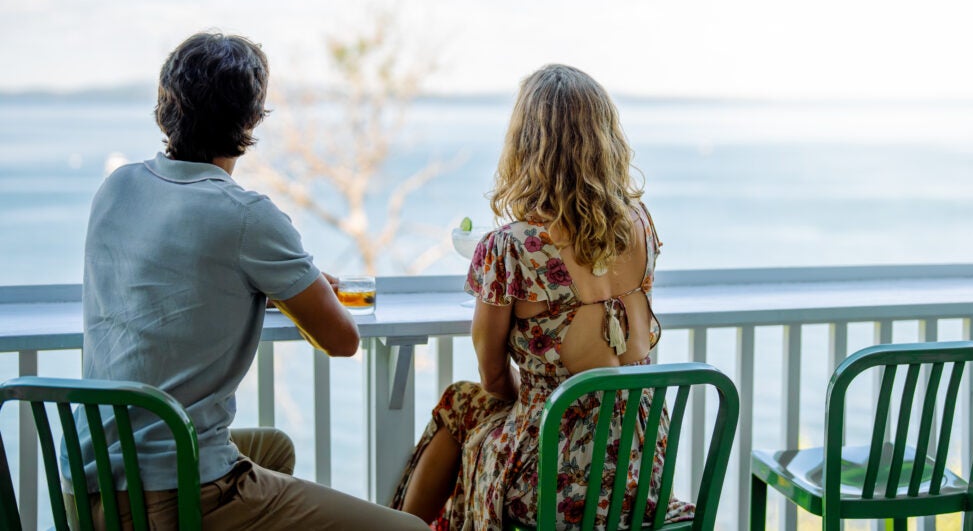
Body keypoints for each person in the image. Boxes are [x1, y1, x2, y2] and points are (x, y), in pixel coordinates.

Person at [62, 32, 429, 530]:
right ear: (251, 120)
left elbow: (177, 279)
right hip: (173, 496)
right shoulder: (245, 216)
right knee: (407, 529)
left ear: (166, 106)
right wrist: (286, 286)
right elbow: (341, 340)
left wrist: (262, 281)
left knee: (273, 449)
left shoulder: (116, 187)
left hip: (87, 487)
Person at [391, 64, 694, 529]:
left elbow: (493, 375)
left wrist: (531, 404)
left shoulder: (510, 247)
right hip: (642, 473)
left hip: (556, 480)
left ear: (526, 146)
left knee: (461, 404)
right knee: (466, 407)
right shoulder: (640, 224)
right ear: (605, 140)